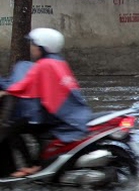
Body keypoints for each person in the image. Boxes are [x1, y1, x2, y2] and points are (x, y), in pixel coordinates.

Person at [0, 28, 91, 177]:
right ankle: (38, 164)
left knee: (11, 130)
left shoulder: (43, 65)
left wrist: (6, 92)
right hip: (69, 113)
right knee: (34, 128)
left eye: (34, 45)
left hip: (53, 115)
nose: (32, 48)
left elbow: (24, 85)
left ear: (43, 47)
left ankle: (31, 166)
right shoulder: (59, 62)